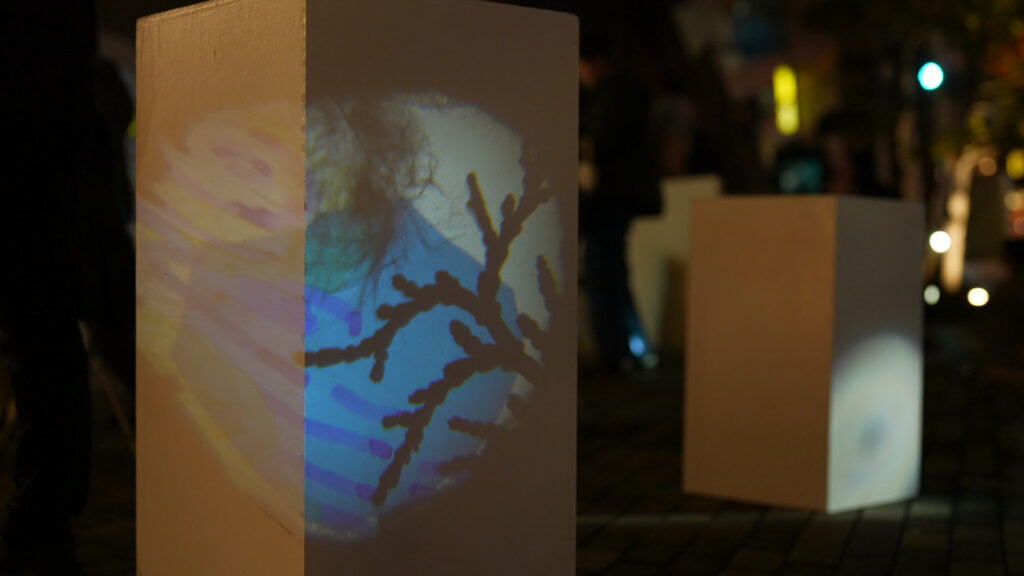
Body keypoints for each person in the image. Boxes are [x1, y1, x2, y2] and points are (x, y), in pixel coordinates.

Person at [0, 4, 97, 574]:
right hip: (41, 147)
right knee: (42, 337)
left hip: (30, 147)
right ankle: (42, 515)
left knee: (39, 338)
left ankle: (40, 517)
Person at [579, 36, 662, 373]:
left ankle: (616, 352)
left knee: (604, 272)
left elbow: (603, 139)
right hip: (617, 198)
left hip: (609, 198)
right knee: (612, 270)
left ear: (596, 61)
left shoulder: (614, 94)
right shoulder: (627, 90)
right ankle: (632, 349)